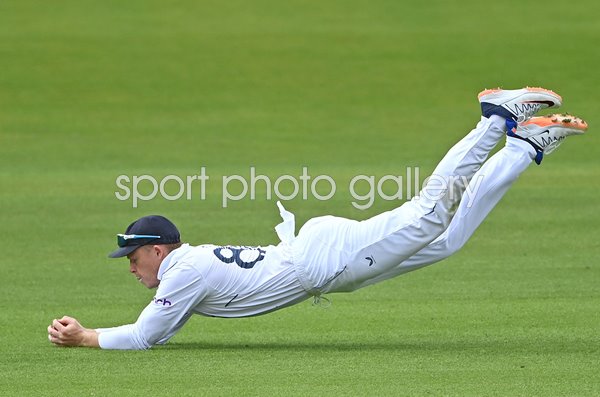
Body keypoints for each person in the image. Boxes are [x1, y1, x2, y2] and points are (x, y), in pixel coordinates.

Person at [47, 87, 588, 350]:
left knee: (427, 215)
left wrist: (86, 337)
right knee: (445, 240)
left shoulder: (181, 273)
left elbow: (146, 337)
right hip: (321, 256)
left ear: (159, 250)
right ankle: (526, 145)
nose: (131, 267)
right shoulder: (184, 269)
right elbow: (158, 328)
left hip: (324, 261)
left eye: (134, 256)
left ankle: (496, 120)